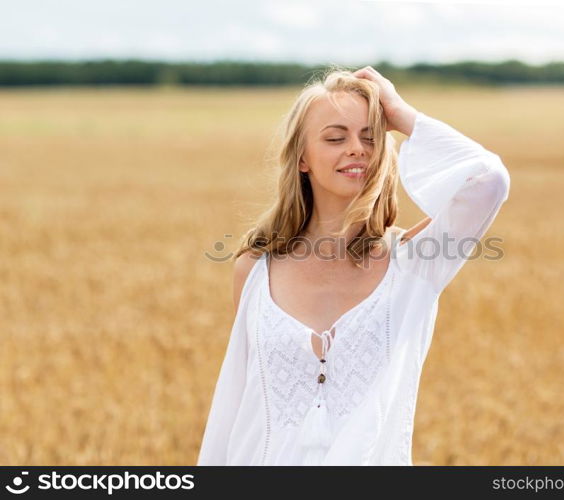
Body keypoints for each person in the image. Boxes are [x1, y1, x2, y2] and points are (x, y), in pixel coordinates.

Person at [197, 65, 511, 465]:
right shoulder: (255, 270)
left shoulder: (414, 265)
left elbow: (489, 180)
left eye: (370, 137)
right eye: (334, 137)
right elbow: (235, 407)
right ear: (302, 159)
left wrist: (399, 112)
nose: (357, 149)